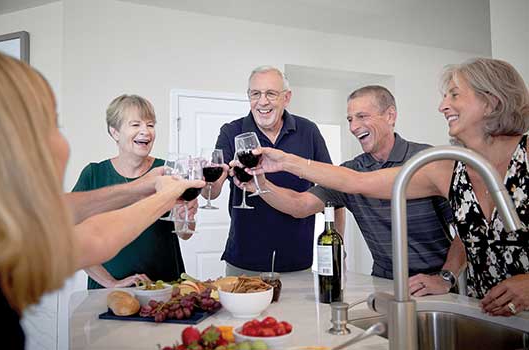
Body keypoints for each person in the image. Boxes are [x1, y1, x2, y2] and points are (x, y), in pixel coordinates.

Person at [252, 58, 529, 317]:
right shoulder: (446, 168)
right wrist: (279, 165)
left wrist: (448, 276)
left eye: (454, 95)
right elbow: (353, 182)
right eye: (350, 119)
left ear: (491, 102)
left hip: (458, 297)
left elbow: (459, 235)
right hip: (488, 312)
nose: (442, 106)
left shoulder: (516, 156)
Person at [0, 47, 204, 348]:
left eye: (150, 124)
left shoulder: (0, 224)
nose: (63, 144)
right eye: (48, 126)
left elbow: (63, 213)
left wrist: (145, 188)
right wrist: (163, 196)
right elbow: (92, 237)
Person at [241, 85, 465, 295]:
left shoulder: (427, 162)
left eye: (362, 116)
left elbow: (467, 230)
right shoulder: (349, 172)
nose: (353, 127)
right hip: (384, 285)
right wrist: (260, 184)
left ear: (390, 116)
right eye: (349, 119)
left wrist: (446, 277)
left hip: (436, 287)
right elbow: (300, 205)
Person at [205, 65, 343, 275]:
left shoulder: (309, 131)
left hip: (297, 261)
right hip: (243, 262)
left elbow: (334, 189)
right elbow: (211, 192)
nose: (262, 101)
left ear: (286, 98)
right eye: (255, 94)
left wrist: (338, 249)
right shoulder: (231, 131)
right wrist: (206, 182)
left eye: (271, 93)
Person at [72, 94, 198, 289]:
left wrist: (185, 219)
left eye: (150, 125)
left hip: (165, 287)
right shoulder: (94, 174)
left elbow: (185, 234)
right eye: (135, 125)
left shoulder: (169, 171)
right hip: (109, 292)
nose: (145, 132)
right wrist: (111, 283)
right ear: (114, 132)